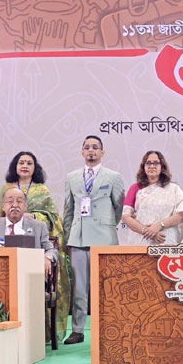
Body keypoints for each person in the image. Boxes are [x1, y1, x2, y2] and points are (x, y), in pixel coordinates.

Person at [0, 151, 71, 343]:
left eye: (29, 163)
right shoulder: (6, 189)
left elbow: (54, 217)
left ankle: (42, 334)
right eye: (21, 162)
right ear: (15, 166)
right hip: (10, 242)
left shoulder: (42, 190)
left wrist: (33, 217)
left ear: (35, 168)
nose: (25, 166)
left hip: (36, 244)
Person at [62, 135, 125, 344]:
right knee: (80, 288)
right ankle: (78, 330)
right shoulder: (71, 177)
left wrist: (106, 225)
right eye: (87, 147)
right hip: (79, 239)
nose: (91, 151)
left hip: (104, 239)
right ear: (82, 152)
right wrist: (68, 237)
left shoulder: (113, 177)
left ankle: (109, 328)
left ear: (102, 152)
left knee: (106, 287)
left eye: (95, 147)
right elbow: (68, 210)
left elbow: (119, 208)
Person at [121, 151, 183, 245]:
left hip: (166, 241)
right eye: (148, 163)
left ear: (162, 167)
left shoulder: (173, 189)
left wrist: (159, 225)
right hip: (142, 240)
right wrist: (146, 231)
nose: (152, 166)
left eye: (156, 163)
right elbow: (126, 217)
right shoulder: (135, 188)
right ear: (143, 167)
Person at [0, 188, 58, 273]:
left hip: (29, 274)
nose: (15, 205)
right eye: (10, 201)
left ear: (25, 207)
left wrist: (47, 257)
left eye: (19, 201)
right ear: (3, 207)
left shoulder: (39, 227)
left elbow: (51, 250)